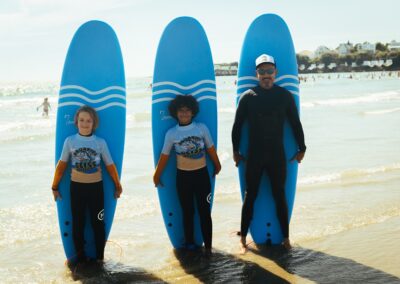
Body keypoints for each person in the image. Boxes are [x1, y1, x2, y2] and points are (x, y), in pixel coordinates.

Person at [232, 54, 306, 252]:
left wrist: (302, 148)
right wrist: (235, 151)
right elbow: (237, 126)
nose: (266, 75)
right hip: (254, 155)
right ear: (257, 74)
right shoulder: (247, 97)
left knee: (279, 195)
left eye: (269, 71)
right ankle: (243, 240)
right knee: (250, 196)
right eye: (262, 72)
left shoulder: (284, 96)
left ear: (276, 73)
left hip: (276, 155)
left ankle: (286, 238)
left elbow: (295, 124)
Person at [51, 105, 123, 263]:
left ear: (94, 123)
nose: (85, 123)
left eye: (88, 120)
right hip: (76, 189)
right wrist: (54, 186)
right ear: (76, 122)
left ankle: (99, 259)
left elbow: (110, 165)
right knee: (78, 224)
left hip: (96, 189)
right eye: (82, 120)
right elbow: (61, 165)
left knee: (98, 223)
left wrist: (117, 185)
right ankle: (81, 259)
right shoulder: (70, 141)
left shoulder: (100, 142)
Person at [153, 95, 221, 255]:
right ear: (176, 113)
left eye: (187, 110)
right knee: (187, 211)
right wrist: (157, 175)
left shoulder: (201, 128)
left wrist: (217, 164)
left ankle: (209, 247)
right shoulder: (172, 133)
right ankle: (190, 243)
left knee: (205, 211)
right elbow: (164, 156)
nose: (184, 113)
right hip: (183, 178)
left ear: (193, 112)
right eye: (181, 110)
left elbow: (211, 148)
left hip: (202, 176)